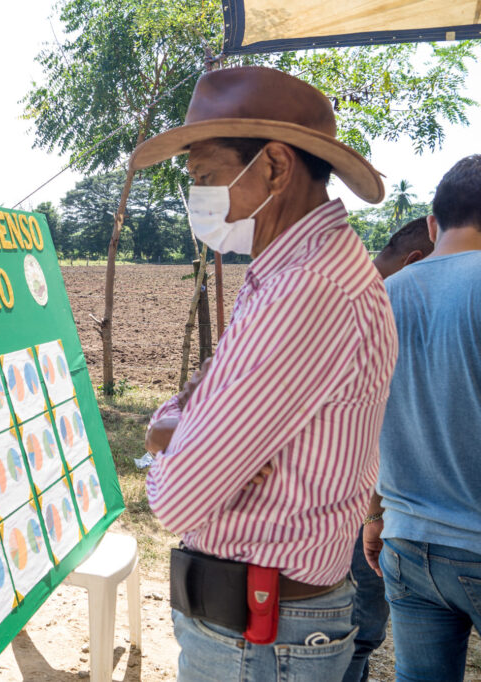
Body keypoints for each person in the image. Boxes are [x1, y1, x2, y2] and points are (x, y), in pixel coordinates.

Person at [136, 65, 397, 681]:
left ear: (275, 166)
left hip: (259, 637)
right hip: (264, 625)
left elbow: (178, 499)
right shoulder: (296, 272)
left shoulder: (306, 289)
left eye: (206, 177)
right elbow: (195, 412)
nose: (198, 198)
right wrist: (184, 426)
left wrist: (166, 439)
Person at [363, 155, 481, 681]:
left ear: (433, 225)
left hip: (406, 541)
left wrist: (374, 515)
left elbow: (366, 423)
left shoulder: (379, 299)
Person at [343, 216, 433, 682]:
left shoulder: (347, 299)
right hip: (357, 508)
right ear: (415, 263)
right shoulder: (374, 314)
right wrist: (374, 514)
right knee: (354, 635)